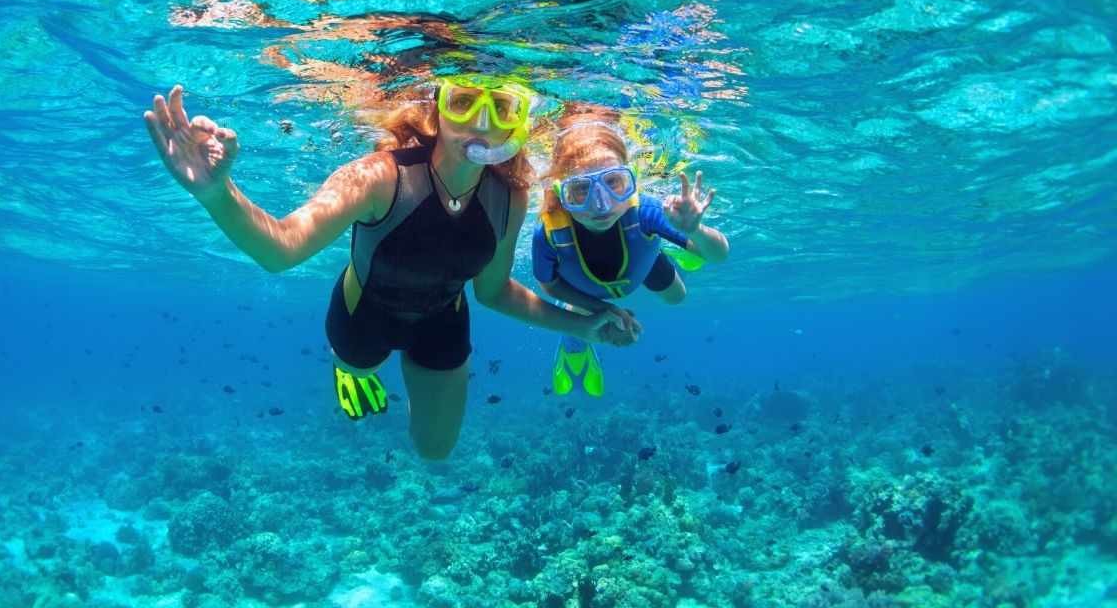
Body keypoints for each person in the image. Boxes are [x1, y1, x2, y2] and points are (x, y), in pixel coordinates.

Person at [144, 79, 637, 460]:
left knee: (435, 451)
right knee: (359, 366)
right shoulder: (380, 175)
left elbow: (492, 292)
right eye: (464, 102)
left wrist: (585, 325)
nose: (482, 123)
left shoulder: (510, 194)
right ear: (437, 109)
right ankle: (349, 369)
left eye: (502, 108)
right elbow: (282, 249)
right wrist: (215, 193)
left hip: (443, 320)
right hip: (364, 315)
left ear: (516, 123)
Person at [532, 108, 729, 398]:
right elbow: (548, 285)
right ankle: (574, 342)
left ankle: (677, 244)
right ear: (561, 193)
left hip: (643, 262)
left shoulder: (647, 211)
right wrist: (603, 310)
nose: (601, 205)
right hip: (583, 287)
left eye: (613, 182)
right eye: (581, 189)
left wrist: (695, 231)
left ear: (632, 179)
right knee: (582, 310)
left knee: (678, 298)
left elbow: (719, 255)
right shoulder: (549, 233)